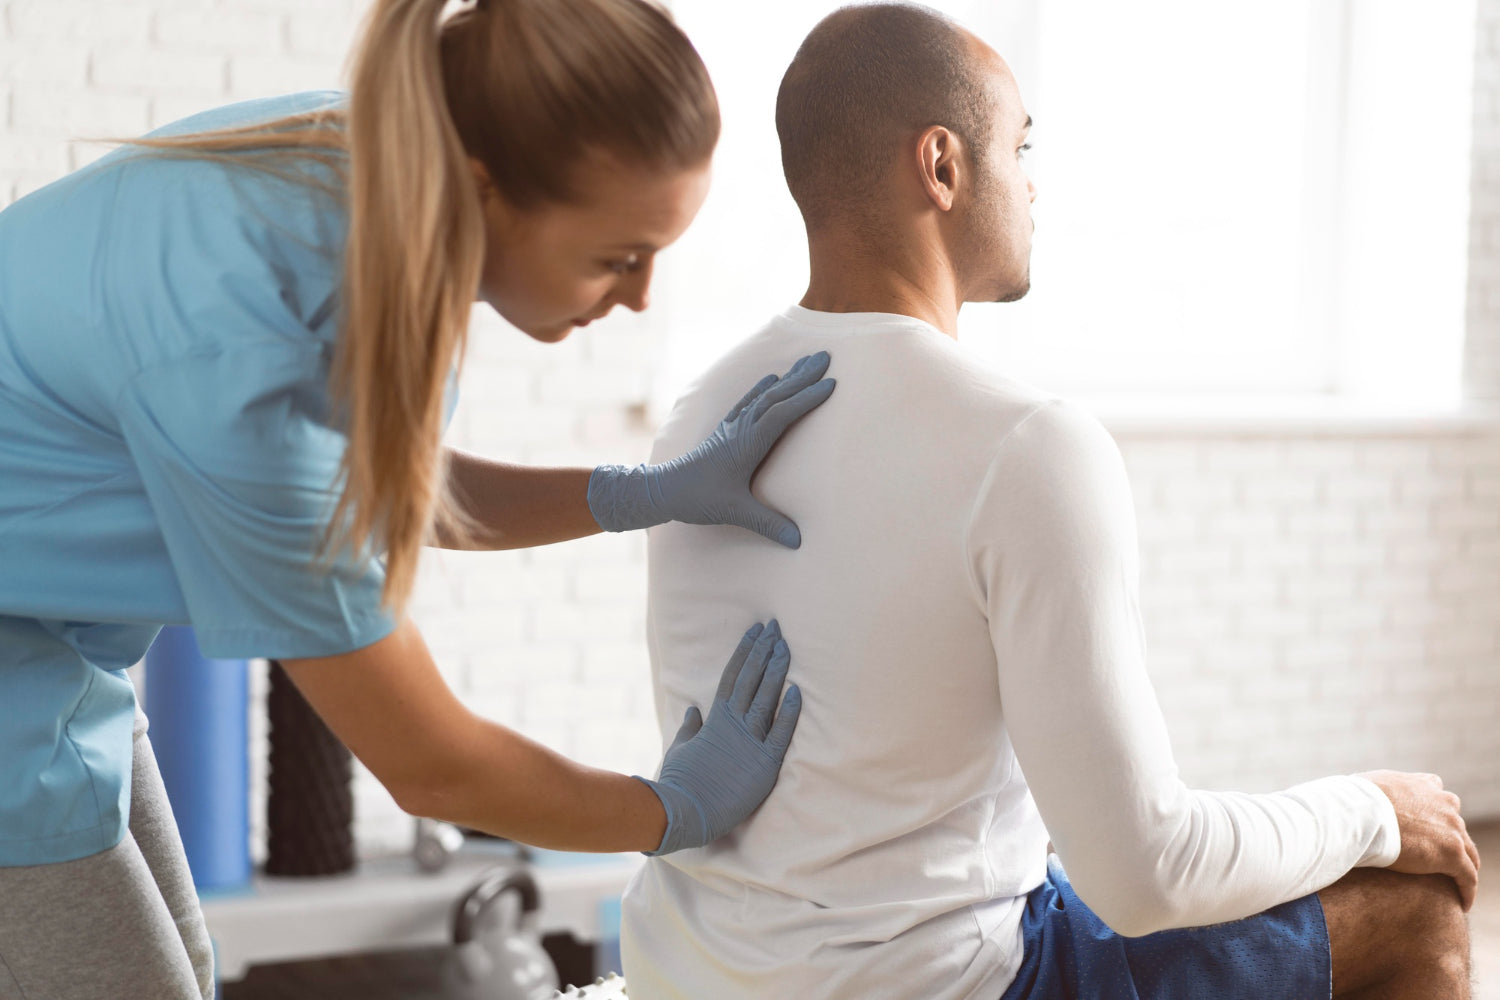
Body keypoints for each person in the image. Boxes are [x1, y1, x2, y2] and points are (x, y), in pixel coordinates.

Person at [620, 5, 1479, 999]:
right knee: (1417, 904)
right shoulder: (1024, 443)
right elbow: (1150, 871)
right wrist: (1374, 805)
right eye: (1020, 146)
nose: (1033, 183)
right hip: (933, 986)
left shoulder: (700, 417)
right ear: (941, 166)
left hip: (692, 974)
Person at [0, 1, 827, 998]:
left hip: (51, 639)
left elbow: (369, 484)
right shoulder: (256, 350)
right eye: (620, 255)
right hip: (17, 666)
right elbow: (433, 768)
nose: (643, 295)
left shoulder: (367, 175)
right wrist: (672, 810)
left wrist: (644, 494)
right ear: (490, 189)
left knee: (182, 968)